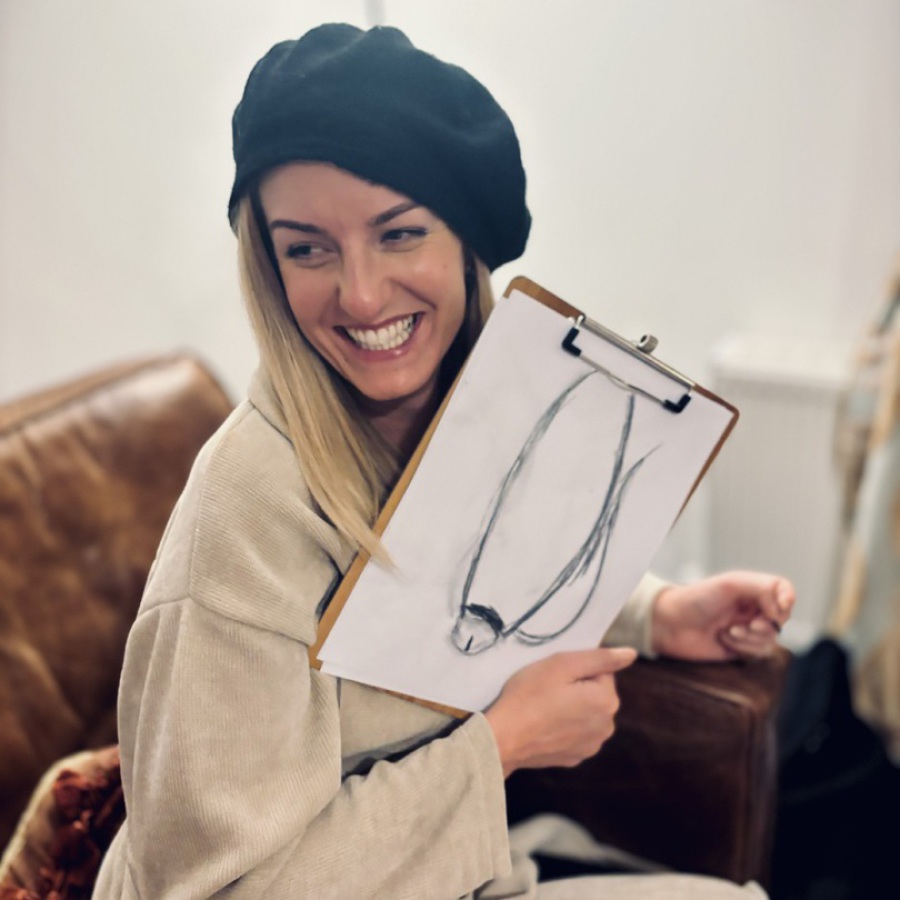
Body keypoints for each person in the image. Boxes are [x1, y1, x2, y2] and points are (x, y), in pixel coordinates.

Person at [93, 23, 794, 900]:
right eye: (307, 247)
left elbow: (474, 571)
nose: (360, 295)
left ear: (467, 241)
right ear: (268, 265)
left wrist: (656, 614)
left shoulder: (470, 403)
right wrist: (501, 746)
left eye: (398, 234)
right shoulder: (240, 518)